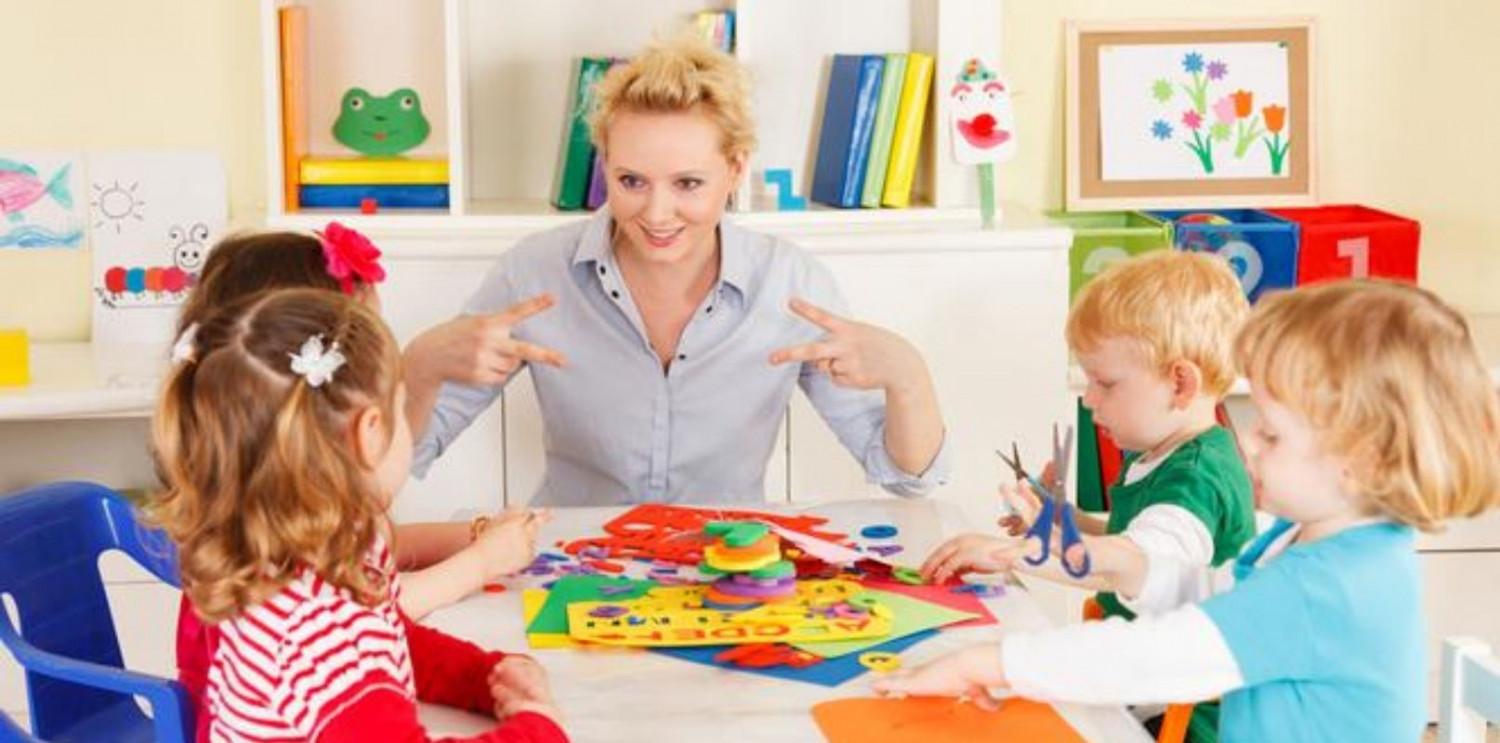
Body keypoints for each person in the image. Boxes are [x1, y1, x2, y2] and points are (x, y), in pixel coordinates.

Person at [877, 280, 1500, 743]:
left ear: (1361, 459)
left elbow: (1161, 655)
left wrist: (990, 662)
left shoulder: (1327, 587)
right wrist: (1111, 563)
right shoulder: (1328, 540)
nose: (1247, 442)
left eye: (1272, 433)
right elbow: (1214, 592)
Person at [406, 34, 948, 506]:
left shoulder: (789, 283)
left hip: (729, 566)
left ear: (735, 169)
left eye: (688, 183)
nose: (657, 213)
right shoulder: (533, 272)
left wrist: (909, 375)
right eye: (631, 181)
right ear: (605, 163)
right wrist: (418, 367)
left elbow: (908, 477)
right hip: (574, 560)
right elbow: (402, 456)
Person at [168, 226, 545, 734]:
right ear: (369, 431)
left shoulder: (317, 547)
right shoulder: (312, 634)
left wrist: (483, 675)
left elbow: (388, 633)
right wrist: (540, 726)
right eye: (399, 404)